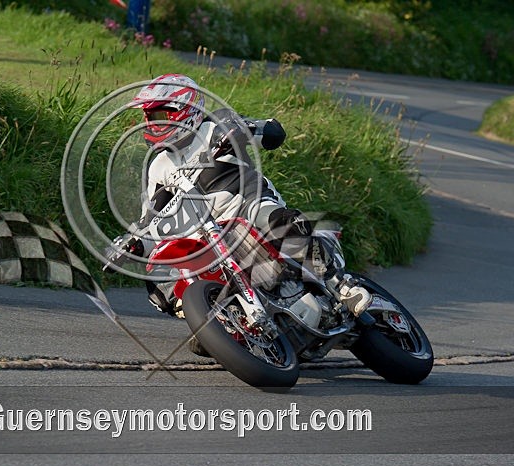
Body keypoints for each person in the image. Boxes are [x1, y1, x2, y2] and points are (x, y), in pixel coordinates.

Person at [109, 73, 372, 319]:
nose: (154, 122)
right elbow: (152, 220)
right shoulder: (159, 166)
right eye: (150, 116)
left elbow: (272, 133)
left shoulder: (215, 127)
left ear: (186, 110)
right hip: (207, 234)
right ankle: (212, 319)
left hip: (247, 206)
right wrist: (133, 244)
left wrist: (243, 129)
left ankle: (340, 285)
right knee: (158, 271)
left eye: (160, 114)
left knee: (276, 222)